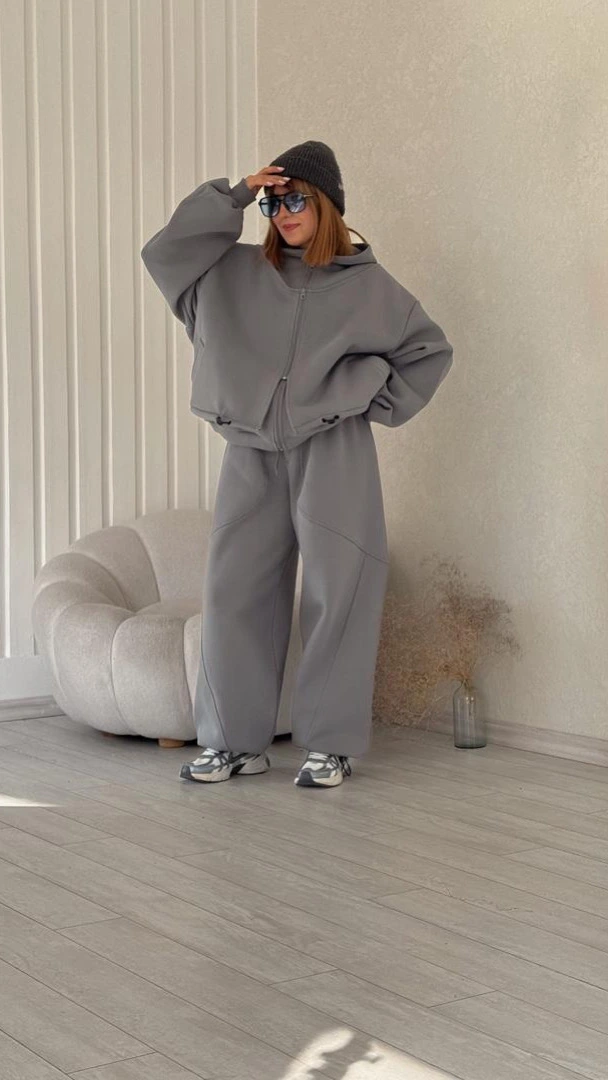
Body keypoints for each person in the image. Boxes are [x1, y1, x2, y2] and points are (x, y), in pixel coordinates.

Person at [140, 140, 453, 789]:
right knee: (235, 592)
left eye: (296, 200)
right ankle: (234, 743)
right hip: (250, 448)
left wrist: (359, 398)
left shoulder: (370, 287)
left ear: (328, 205)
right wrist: (235, 194)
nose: (281, 213)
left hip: (334, 450)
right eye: (272, 202)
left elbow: (428, 351)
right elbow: (165, 253)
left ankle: (330, 745)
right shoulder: (231, 271)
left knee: (339, 591)